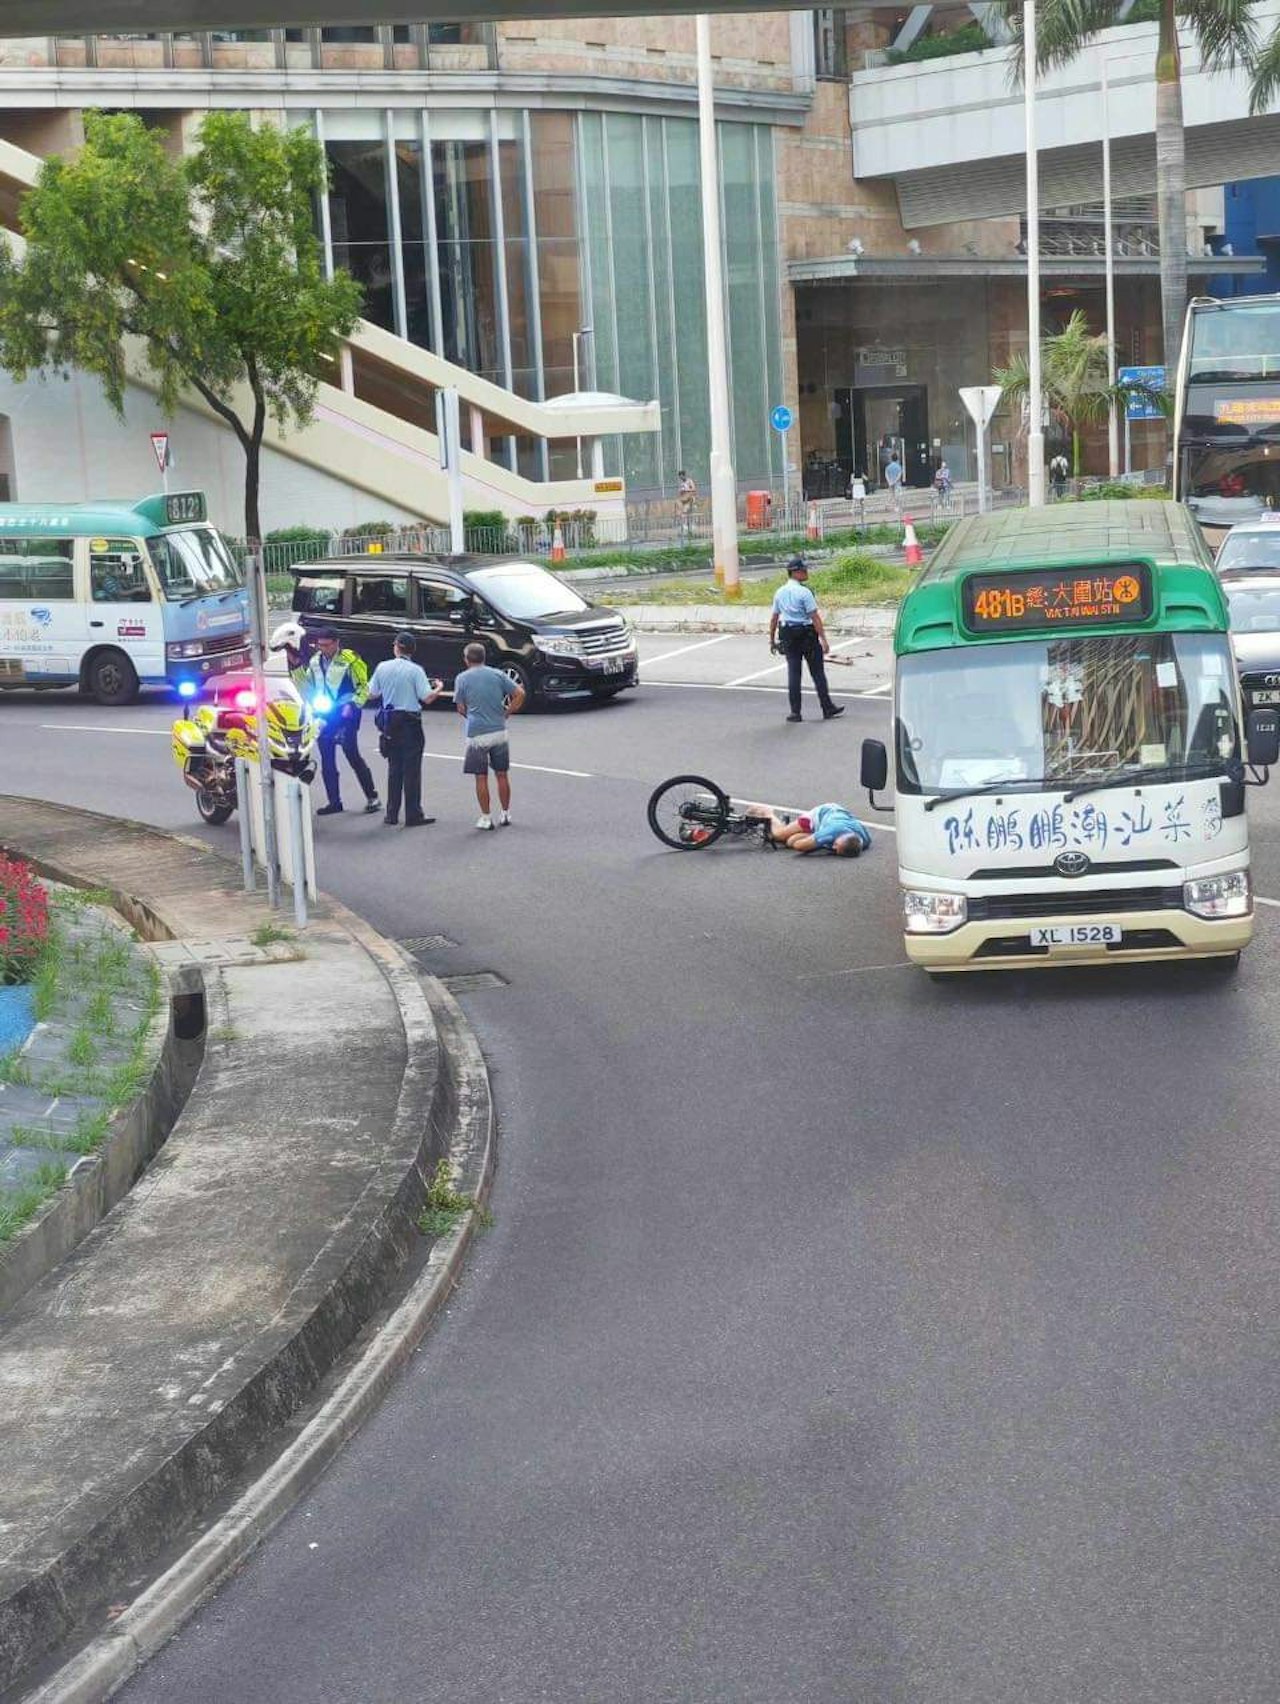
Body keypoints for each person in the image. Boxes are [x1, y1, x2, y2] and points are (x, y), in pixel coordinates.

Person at [365, 631, 444, 828]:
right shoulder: (416, 670)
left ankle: (392, 813)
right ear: (412, 650)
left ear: (397, 647)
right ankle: (413, 814)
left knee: (394, 768)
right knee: (412, 769)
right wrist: (439, 688)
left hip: (390, 720)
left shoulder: (382, 667)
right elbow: (426, 697)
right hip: (410, 721)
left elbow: (371, 693)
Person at [304, 627, 380, 818]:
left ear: (337, 643)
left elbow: (364, 687)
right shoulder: (314, 662)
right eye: (319, 645)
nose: (322, 649)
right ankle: (334, 802)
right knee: (327, 759)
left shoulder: (351, 660)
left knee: (352, 755)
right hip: (324, 715)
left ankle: (373, 797)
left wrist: (353, 705)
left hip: (347, 714)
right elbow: (308, 686)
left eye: (326, 645)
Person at [452, 642, 525, 830]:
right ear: (484, 657)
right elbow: (519, 693)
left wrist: (470, 716)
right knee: (502, 774)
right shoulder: (498, 674)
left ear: (467, 659)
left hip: (477, 734)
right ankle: (506, 813)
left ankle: (486, 817)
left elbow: (460, 707)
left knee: (481, 777)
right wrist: (508, 712)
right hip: (499, 731)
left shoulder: (462, 678)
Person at [769, 556, 845, 724]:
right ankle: (827, 707)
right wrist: (824, 639)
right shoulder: (805, 592)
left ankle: (795, 712)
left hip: (787, 633)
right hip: (806, 634)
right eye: (803, 570)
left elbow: (774, 617)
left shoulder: (779, 592)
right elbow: (814, 617)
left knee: (794, 674)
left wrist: (772, 640)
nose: (806, 572)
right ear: (795, 572)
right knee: (817, 672)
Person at [749, 802, 872, 858]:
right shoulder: (831, 832)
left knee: (790, 841)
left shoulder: (864, 840)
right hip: (818, 816)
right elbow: (800, 847)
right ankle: (767, 812)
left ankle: (791, 827)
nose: (833, 848)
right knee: (778, 835)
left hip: (831, 820)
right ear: (840, 837)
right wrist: (819, 841)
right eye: (836, 845)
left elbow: (795, 844)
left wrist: (816, 842)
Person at [676, 469, 697, 539]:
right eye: (680, 477)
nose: (681, 478)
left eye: (681, 476)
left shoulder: (689, 481)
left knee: (687, 511)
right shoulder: (682, 484)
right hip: (684, 500)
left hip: (690, 499)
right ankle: (683, 527)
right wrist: (681, 491)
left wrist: (686, 490)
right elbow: (680, 493)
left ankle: (690, 529)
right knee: (681, 511)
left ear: (684, 475)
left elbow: (694, 489)